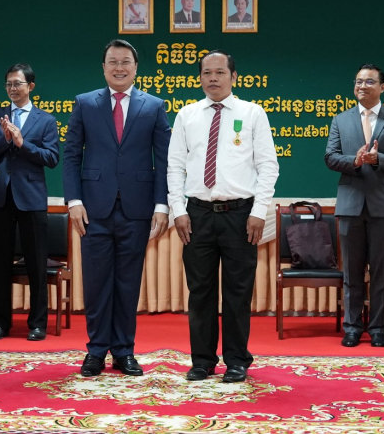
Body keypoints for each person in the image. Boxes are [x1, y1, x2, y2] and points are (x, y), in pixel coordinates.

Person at [167, 50, 279, 383]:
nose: (213, 78)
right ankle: (202, 360)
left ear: (233, 76)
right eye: (207, 73)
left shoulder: (253, 113)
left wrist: (259, 211)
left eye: (220, 72)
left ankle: (237, 360)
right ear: (200, 77)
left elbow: (268, 166)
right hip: (197, 214)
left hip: (241, 215)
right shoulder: (187, 115)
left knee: (237, 292)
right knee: (199, 291)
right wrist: (178, 210)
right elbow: (174, 166)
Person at [63, 39, 171, 377]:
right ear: (104, 67)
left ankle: (124, 351)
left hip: (137, 209)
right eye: (113, 61)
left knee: (127, 283)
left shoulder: (154, 106)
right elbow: (71, 155)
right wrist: (74, 201)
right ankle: (96, 351)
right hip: (93, 209)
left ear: (136, 68)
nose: (119, 67)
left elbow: (164, 160)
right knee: (96, 283)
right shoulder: (85, 103)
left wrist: (162, 204)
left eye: (125, 62)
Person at [324, 63, 384, 348]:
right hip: (350, 204)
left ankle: (378, 330)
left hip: (383, 205)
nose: (362, 86)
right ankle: (352, 328)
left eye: (369, 81)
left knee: (380, 273)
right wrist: (355, 160)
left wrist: (378, 159)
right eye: (358, 81)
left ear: (382, 87)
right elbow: (330, 157)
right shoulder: (341, 120)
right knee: (352, 272)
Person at [0, 64, 59, 341]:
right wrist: (4, 140)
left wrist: (22, 142)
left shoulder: (46, 120)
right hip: (0, 197)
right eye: (9, 84)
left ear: (31, 87)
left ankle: (37, 323)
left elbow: (51, 158)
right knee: (0, 262)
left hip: (32, 198)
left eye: (18, 83)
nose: (13, 88)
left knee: (36, 264)